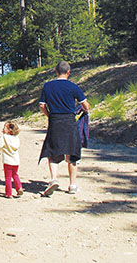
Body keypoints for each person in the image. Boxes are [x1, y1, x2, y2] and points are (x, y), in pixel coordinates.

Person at [38, 61, 90, 196]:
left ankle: (54, 179)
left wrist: (49, 115)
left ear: (56, 72)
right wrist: (83, 111)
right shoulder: (73, 86)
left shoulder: (48, 86)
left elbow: (42, 105)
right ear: (68, 72)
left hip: (55, 120)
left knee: (52, 151)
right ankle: (72, 185)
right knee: (72, 153)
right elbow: (86, 105)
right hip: (69, 121)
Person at [0, 121, 23, 198]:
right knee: (15, 175)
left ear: (9, 130)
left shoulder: (4, 137)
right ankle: (19, 188)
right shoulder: (16, 139)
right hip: (16, 161)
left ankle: (9, 193)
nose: (2, 129)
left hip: (7, 161)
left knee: (8, 177)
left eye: (4, 127)